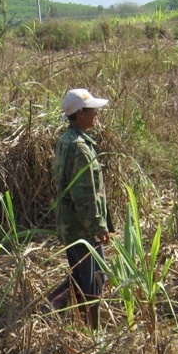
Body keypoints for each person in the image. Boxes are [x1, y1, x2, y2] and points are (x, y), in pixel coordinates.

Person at [47, 88, 113, 329]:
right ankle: (90, 331)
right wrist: (98, 227)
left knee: (80, 276)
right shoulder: (81, 148)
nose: (97, 114)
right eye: (93, 110)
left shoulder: (65, 141)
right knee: (94, 280)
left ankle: (53, 312)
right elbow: (84, 194)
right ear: (81, 114)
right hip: (82, 228)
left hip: (70, 225)